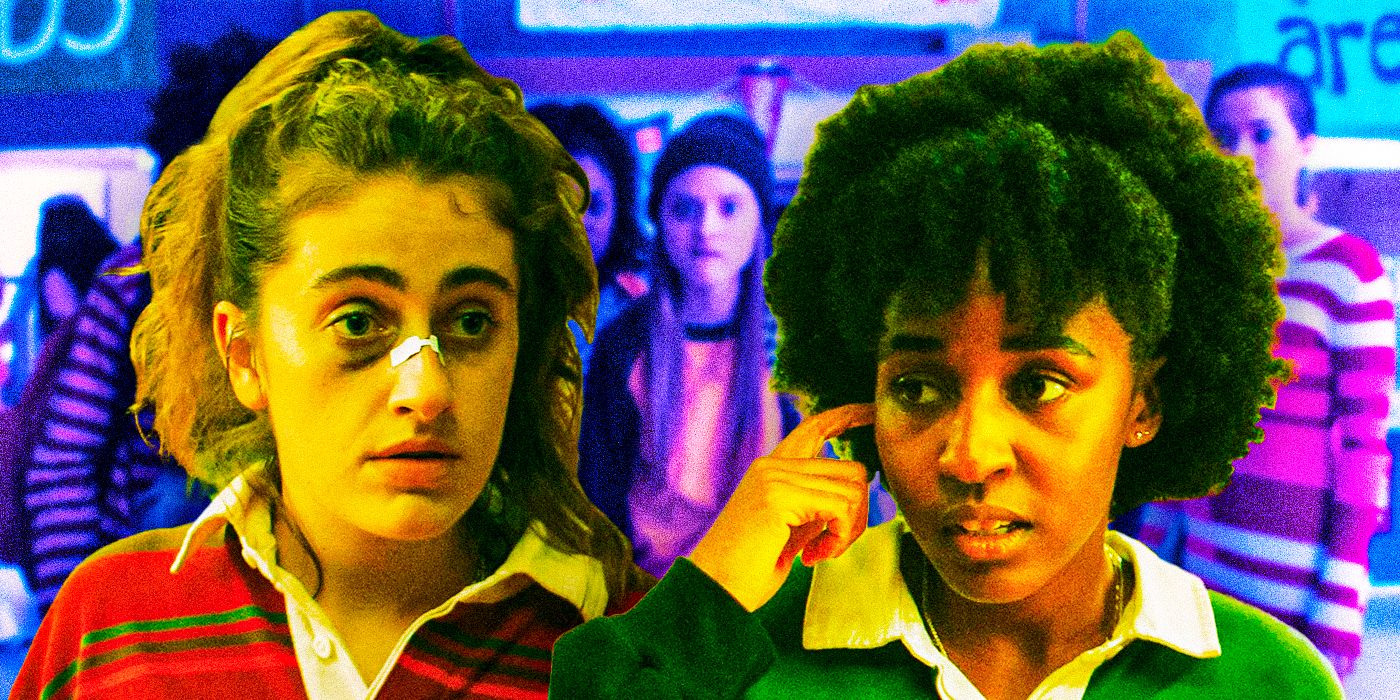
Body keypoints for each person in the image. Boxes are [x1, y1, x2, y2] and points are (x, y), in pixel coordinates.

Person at [552, 35, 1344, 698]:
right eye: (919, 387)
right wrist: (707, 595)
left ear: (1146, 401)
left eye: (1038, 385)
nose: (969, 454)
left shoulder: (1265, 682)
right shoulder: (755, 657)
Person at [11, 11, 646, 698]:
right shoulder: (112, 630)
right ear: (243, 352)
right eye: (357, 322)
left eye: (471, 321)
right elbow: (63, 455)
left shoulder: (612, 643)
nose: (426, 389)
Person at [1136, 63, 1396, 678]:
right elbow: (1185, 429)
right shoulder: (1208, 272)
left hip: (1292, 590)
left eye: (1262, 133)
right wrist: (1150, 559)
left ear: (1306, 145)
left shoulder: (1349, 271)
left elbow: (1363, 452)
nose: (1241, 154)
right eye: (1224, 137)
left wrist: (1339, 611)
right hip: (1194, 576)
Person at [579, 113, 797, 577]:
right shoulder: (623, 345)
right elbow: (599, 499)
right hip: (648, 592)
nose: (706, 229)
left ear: (759, 222)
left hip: (763, 591)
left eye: (729, 207)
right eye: (684, 209)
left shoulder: (788, 345)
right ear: (659, 221)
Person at [530, 102, 649, 363]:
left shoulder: (646, 312)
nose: (579, 226)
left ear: (619, 210)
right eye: (561, 207)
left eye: (594, 206)